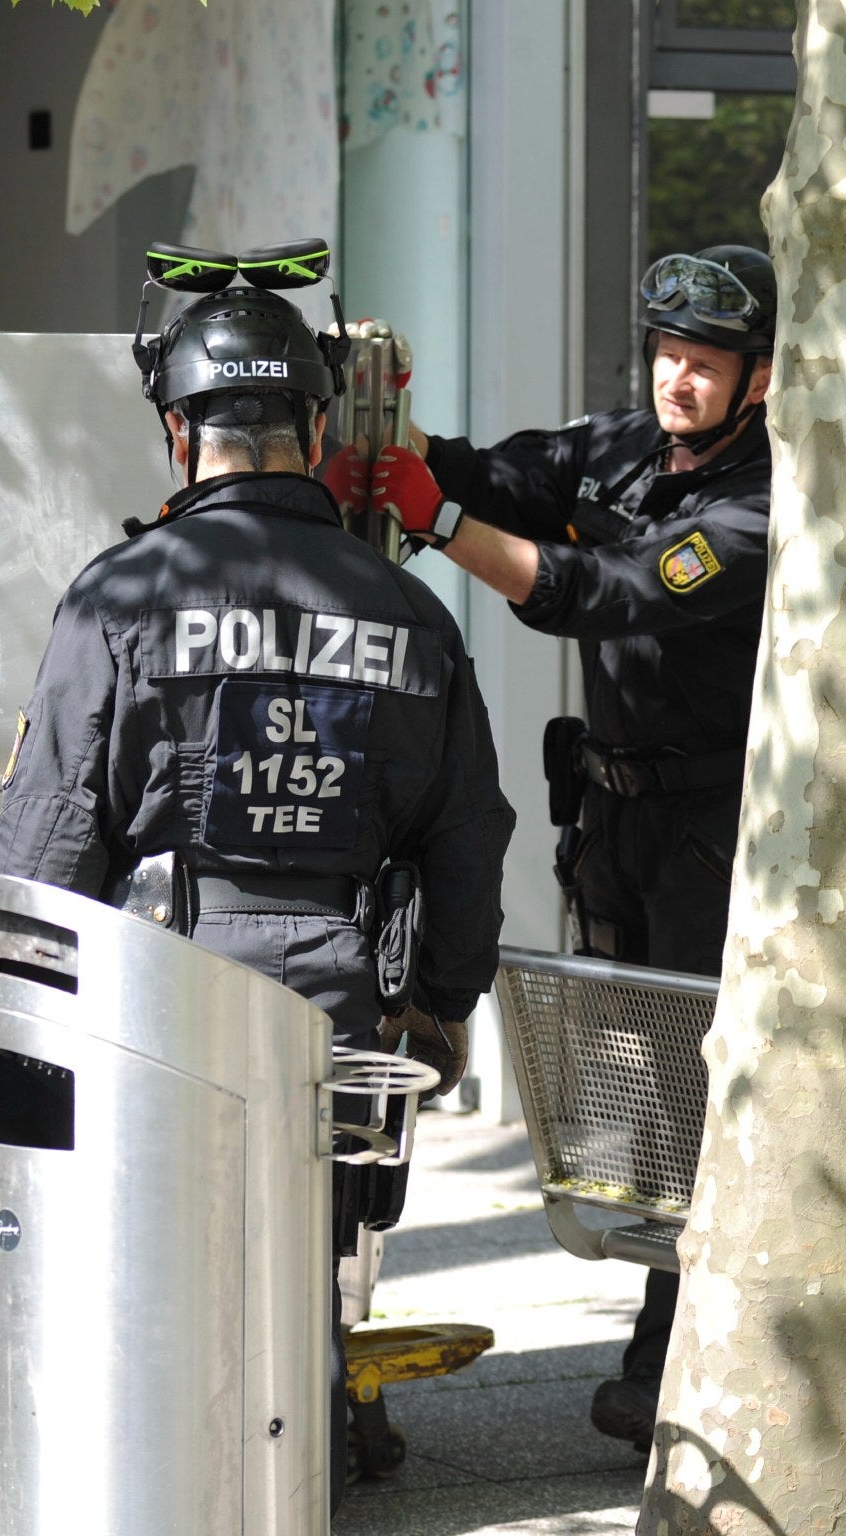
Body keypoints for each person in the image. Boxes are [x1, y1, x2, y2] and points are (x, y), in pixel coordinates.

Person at [0, 257, 515, 1500]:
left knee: (140, 1274)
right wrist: (439, 1004)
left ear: (176, 430)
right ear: (313, 432)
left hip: (152, 998)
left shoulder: (120, 595)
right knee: (291, 1273)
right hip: (330, 1015)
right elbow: (464, 834)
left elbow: (49, 833)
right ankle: (290, 1476)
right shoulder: (408, 616)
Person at [365, 245, 774, 1453]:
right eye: (664, 355)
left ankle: (667, 1357)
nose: (676, 381)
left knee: (700, 1087)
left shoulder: (758, 508)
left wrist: (431, 521)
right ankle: (663, 1331)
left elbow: (603, 592)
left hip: (708, 830)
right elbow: (488, 474)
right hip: (608, 819)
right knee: (634, 1090)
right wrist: (392, 428)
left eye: (703, 365)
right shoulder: (609, 448)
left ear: (755, 381)